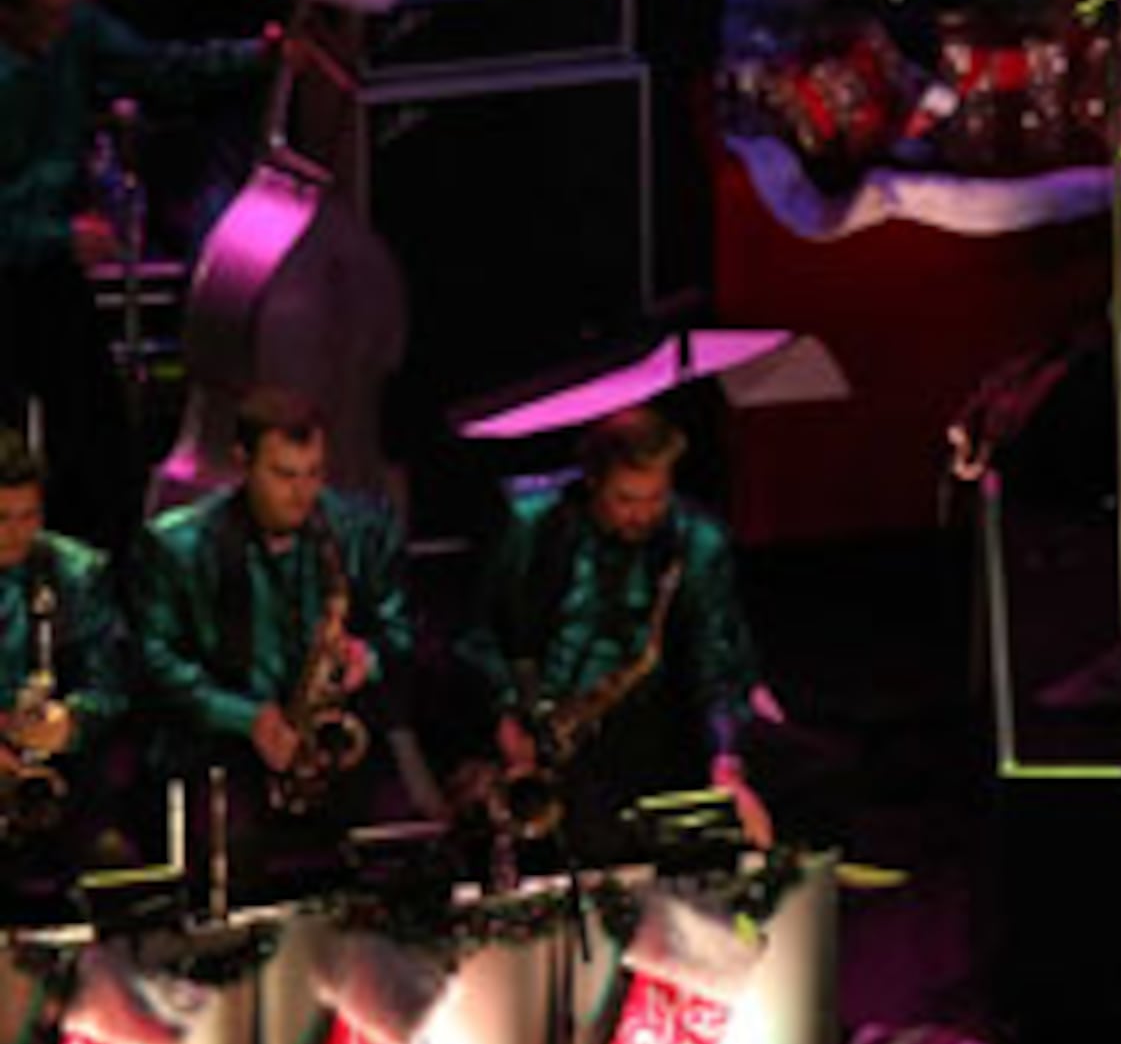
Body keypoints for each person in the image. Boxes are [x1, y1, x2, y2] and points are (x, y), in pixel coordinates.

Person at [0, 0, 259, 543]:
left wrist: (260, 58)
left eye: (66, 12)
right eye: (45, 16)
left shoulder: (75, 32)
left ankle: (100, 596)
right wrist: (57, 235)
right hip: (14, 260)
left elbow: (162, 70)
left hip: (45, 273)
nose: (59, 31)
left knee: (97, 442)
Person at [125, 389, 414, 890]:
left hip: (328, 738)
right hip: (221, 745)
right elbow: (153, 661)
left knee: (406, 849)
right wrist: (247, 718)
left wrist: (367, 658)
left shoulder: (360, 529)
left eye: (314, 473)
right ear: (243, 463)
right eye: (284, 475)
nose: (303, 495)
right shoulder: (177, 545)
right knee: (231, 860)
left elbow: (400, 630)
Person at [455, 404, 773, 858]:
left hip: (648, 729)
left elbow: (714, 657)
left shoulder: (696, 539)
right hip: (539, 727)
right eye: (626, 499)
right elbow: (477, 634)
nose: (643, 516)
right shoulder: (532, 524)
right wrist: (506, 714)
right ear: (592, 482)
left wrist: (726, 762)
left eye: (656, 497)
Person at [0, 426, 137, 907]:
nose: (17, 533)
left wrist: (71, 722)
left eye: (29, 516)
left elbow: (113, 685)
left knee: (115, 867)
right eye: (1, 517)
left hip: (63, 776)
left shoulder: (76, 572)